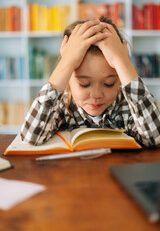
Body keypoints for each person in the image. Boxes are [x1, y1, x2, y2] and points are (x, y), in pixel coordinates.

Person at [20, 16, 160, 148]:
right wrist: (66, 62)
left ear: (119, 77)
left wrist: (122, 61)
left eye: (109, 83)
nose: (96, 94)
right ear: (68, 78)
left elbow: (155, 137)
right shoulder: (61, 108)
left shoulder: (128, 107)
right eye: (84, 84)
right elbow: (32, 137)